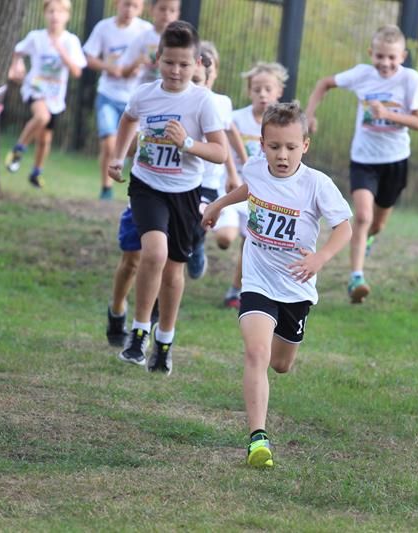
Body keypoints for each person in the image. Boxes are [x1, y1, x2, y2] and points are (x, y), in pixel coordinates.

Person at [202, 102, 352, 467]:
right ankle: (258, 438)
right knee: (257, 353)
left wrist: (319, 258)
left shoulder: (317, 184)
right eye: (273, 147)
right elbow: (250, 188)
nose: (281, 155)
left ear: (305, 145)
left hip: (296, 287)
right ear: (262, 145)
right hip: (257, 279)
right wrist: (220, 204)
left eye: (290, 147)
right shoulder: (256, 167)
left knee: (281, 364)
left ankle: (274, 356)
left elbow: (344, 228)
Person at [107, 21, 227, 375]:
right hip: (147, 186)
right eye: (169, 62)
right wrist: (118, 156)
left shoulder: (203, 102)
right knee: (154, 253)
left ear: (198, 65)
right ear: (157, 59)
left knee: (174, 270)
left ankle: (164, 341)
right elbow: (128, 120)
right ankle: (138, 333)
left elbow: (220, 153)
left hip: (185, 192)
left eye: (184, 64)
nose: (176, 71)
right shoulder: (145, 94)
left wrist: (187, 143)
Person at [306, 24, 418, 303]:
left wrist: (388, 115)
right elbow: (324, 83)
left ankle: (369, 238)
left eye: (392, 57)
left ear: (403, 56)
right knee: (362, 216)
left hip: (395, 160)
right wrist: (309, 115)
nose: (385, 63)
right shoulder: (361, 74)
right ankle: (356, 278)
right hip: (363, 160)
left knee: (377, 225)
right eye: (380, 56)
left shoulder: (410, 80)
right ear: (371, 53)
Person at [215, 61, 288, 308]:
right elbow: (222, 147)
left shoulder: (283, 125)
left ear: (279, 91)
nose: (262, 94)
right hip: (232, 186)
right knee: (225, 238)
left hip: (260, 196)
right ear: (249, 91)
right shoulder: (236, 119)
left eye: (268, 89)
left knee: (250, 244)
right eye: (257, 89)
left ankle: (235, 291)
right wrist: (231, 173)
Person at [4, 0, 87, 188]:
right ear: (45, 14)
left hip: (55, 97)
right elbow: (17, 51)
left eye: (60, 12)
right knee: (42, 117)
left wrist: (62, 52)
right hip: (35, 89)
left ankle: (36, 173)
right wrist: (16, 66)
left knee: (45, 140)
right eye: (51, 11)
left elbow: (77, 72)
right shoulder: (36, 37)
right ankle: (18, 149)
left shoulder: (71, 41)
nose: (55, 16)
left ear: (67, 16)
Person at [185, 42, 244, 280]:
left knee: (198, 220)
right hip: (182, 174)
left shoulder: (221, 102)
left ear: (212, 73)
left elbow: (227, 137)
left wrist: (234, 173)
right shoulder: (180, 100)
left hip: (208, 178)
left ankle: (196, 245)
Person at [83, 0, 152, 200]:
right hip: (108, 94)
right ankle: (106, 188)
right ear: (116, 4)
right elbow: (88, 57)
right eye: (126, 4)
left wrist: (142, 66)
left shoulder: (146, 31)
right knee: (109, 144)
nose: (129, 9)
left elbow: (155, 58)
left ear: (142, 8)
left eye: (135, 6)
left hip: (135, 99)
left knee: (134, 146)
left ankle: (137, 182)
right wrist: (109, 67)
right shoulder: (104, 27)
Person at [119, 0, 180, 86]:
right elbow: (123, 73)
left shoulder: (182, 41)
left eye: (172, 10)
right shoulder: (142, 37)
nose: (167, 13)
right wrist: (137, 63)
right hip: (145, 91)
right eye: (162, 9)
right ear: (151, 10)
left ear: (178, 14)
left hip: (170, 91)